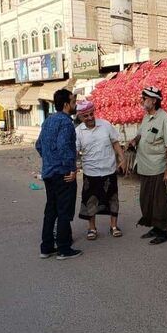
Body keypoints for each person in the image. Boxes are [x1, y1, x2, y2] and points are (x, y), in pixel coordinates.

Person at [35, 89, 82, 260]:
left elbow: (38, 145)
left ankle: (46, 247)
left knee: (51, 210)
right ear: (66, 104)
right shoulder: (66, 123)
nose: (75, 104)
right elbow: (63, 147)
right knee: (63, 211)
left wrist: (49, 160)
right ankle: (63, 248)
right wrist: (71, 169)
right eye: (73, 101)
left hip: (49, 173)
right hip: (63, 174)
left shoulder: (48, 121)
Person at [129, 86, 167, 245]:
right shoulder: (146, 117)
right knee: (146, 199)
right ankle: (154, 226)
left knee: (158, 201)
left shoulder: (165, 119)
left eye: (145, 98)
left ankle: (163, 231)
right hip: (143, 165)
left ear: (154, 100)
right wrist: (135, 140)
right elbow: (142, 133)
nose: (141, 100)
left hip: (157, 166)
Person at [75, 101, 126, 240]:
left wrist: (122, 159)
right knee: (90, 201)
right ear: (80, 117)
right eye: (86, 116)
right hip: (90, 172)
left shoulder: (105, 125)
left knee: (113, 199)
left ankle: (114, 226)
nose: (90, 117)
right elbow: (75, 151)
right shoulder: (78, 132)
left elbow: (115, 142)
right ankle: (92, 228)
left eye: (91, 114)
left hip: (109, 169)